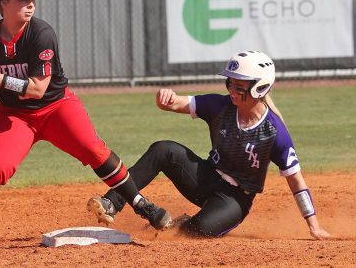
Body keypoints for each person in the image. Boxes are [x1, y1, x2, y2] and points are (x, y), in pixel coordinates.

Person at [0, 0, 171, 255]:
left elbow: (36, 89)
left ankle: (141, 203)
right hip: (15, 115)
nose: (30, 4)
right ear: (3, 3)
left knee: (94, 150)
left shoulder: (41, 34)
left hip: (57, 107)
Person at [88, 51, 331, 239]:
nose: (232, 91)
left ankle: (181, 223)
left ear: (260, 87)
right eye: (230, 84)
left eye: (239, 86)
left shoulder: (274, 133)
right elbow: (176, 104)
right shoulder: (220, 106)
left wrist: (314, 225)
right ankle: (112, 202)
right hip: (206, 177)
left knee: (197, 232)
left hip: (234, 200)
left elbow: (297, 182)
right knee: (164, 149)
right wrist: (164, 98)